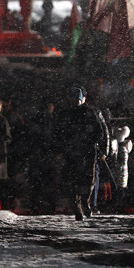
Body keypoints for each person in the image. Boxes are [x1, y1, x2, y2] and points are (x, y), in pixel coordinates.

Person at [54, 87, 105, 221]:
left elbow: (99, 132)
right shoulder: (65, 114)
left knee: (88, 180)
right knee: (73, 180)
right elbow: (58, 133)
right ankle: (77, 205)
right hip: (72, 152)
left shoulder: (89, 112)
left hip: (86, 152)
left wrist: (92, 142)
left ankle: (84, 202)